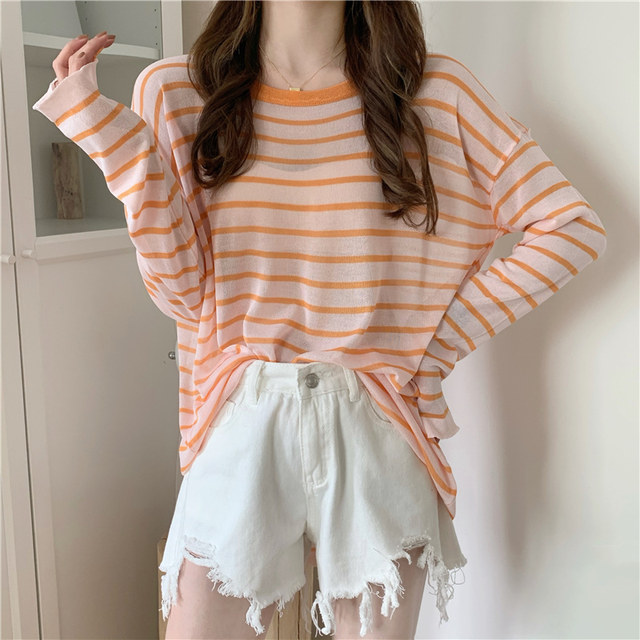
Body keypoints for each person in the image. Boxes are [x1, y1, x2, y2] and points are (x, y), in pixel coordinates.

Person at [32, 1, 607, 638]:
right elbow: (183, 294)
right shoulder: (178, 92)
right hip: (239, 415)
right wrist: (113, 138)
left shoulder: (435, 93)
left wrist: (435, 344)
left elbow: (569, 226)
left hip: (378, 424)